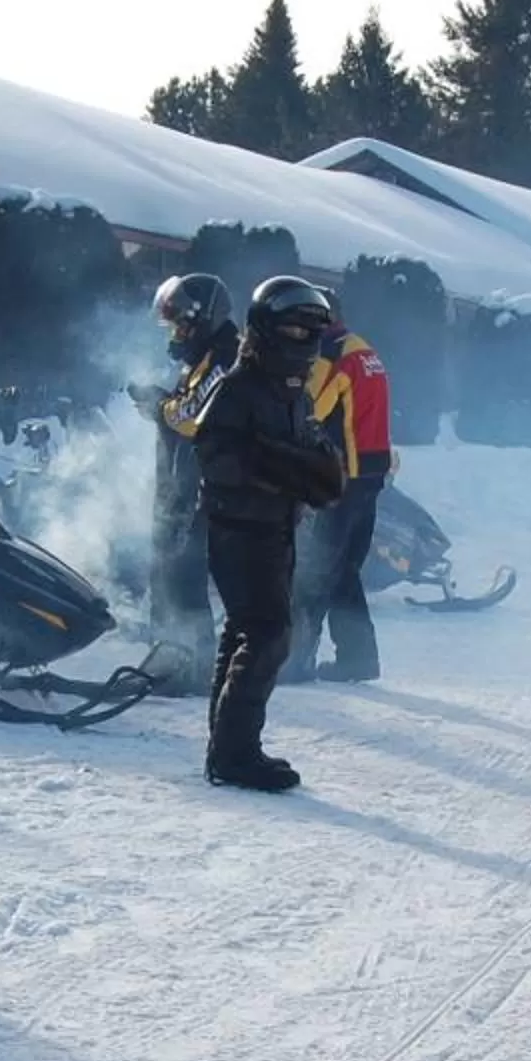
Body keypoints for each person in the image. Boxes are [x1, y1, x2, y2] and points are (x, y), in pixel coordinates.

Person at [193, 277, 346, 789]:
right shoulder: (238, 387)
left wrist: (311, 470)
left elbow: (318, 455)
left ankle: (227, 749)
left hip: (275, 527)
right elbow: (217, 457)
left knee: (244, 631)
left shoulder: (293, 393)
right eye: (294, 328)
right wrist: (283, 467)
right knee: (268, 634)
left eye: (311, 330)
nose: (304, 338)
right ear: (267, 329)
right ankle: (236, 754)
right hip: (237, 529)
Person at [287, 302, 394, 683]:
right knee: (344, 569)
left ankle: (294, 660)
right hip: (370, 473)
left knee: (315, 567)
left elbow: (308, 410)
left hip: (341, 477)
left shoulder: (331, 355)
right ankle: (358, 658)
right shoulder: (362, 349)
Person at [145, 274, 234, 695]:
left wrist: (157, 404)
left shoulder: (224, 357)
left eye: (182, 323)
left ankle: (195, 667)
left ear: (204, 318)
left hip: (202, 488)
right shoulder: (204, 357)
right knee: (168, 571)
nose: (177, 333)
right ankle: (170, 657)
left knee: (185, 576)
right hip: (183, 485)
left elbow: (190, 416)